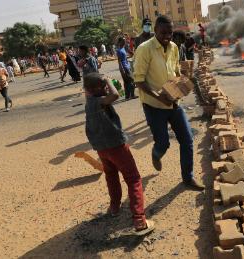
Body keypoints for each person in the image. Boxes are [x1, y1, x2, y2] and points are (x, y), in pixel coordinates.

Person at [134, 15, 204, 190]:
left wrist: (184, 83)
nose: (167, 36)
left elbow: (176, 71)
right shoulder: (144, 49)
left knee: (187, 140)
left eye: (170, 33)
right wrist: (159, 96)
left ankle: (188, 178)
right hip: (153, 105)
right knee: (163, 143)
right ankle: (156, 153)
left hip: (173, 103)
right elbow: (139, 81)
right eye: (163, 32)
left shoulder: (174, 47)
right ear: (155, 31)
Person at [83, 72, 155, 234]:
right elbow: (115, 95)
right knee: (134, 178)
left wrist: (101, 85)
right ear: (99, 88)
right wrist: (107, 80)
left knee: (111, 176)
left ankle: (114, 208)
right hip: (115, 145)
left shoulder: (89, 101)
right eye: (103, 86)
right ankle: (139, 219)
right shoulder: (98, 102)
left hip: (101, 149)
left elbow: (96, 91)